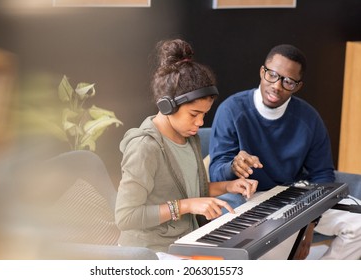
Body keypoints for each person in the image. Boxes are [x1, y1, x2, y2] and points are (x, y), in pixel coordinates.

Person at [209, 44, 361, 260]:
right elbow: (216, 173)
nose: (277, 86)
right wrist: (232, 166)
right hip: (250, 199)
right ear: (262, 72)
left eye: (288, 81)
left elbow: (324, 175)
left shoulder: (309, 118)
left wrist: (308, 223)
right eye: (272, 75)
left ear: (297, 86)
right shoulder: (232, 110)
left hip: (299, 201)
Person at [115, 39, 258, 254]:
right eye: (194, 114)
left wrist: (228, 186)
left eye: (204, 114)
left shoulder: (190, 137)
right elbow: (126, 217)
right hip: (150, 253)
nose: (200, 123)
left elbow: (192, 191)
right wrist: (186, 206)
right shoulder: (144, 148)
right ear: (167, 105)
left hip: (186, 240)